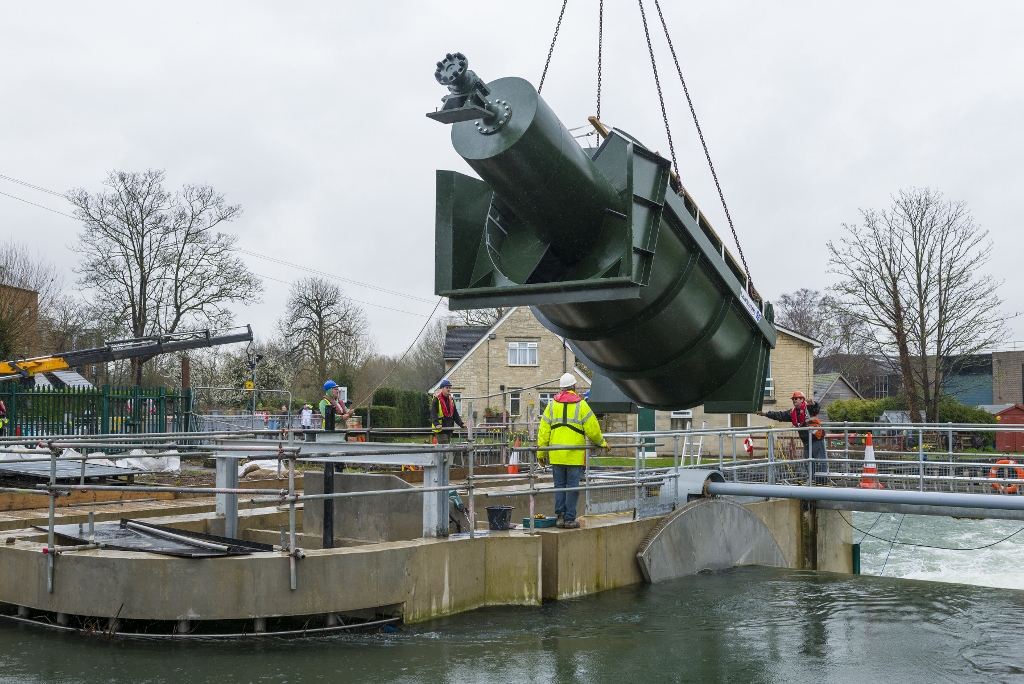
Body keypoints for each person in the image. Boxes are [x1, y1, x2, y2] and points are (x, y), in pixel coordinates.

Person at [537, 373, 609, 529]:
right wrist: (602, 443)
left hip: (556, 455)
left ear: (561, 388)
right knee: (573, 488)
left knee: (559, 487)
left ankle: (560, 518)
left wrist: (541, 454)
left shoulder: (551, 405)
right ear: (574, 387)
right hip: (574, 455)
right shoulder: (581, 405)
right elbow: (593, 429)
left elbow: (543, 432)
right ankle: (570, 519)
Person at [757, 391, 825, 482]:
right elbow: (779, 415)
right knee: (808, 463)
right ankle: (812, 481)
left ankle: (823, 481)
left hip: (816, 438)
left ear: (802, 400)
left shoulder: (809, 408)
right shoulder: (792, 413)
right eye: (793, 399)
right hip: (806, 441)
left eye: (796, 399)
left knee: (820, 461)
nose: (794, 401)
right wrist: (765, 414)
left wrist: (813, 403)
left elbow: (816, 409)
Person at [430, 379, 464, 444]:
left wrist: (461, 424)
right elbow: (433, 413)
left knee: (445, 448)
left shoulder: (451, 399)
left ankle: (442, 454)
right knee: (445, 447)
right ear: (442, 388)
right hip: (440, 429)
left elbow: (455, 414)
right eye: (447, 387)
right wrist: (436, 424)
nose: (448, 389)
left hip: (449, 428)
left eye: (449, 388)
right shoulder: (436, 399)